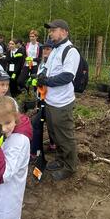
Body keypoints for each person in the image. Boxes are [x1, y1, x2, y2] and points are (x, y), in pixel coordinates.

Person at [37, 19, 80, 181]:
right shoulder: (55, 49)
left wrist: (46, 81)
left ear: (64, 32)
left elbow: (68, 76)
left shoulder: (70, 51)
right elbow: (49, 69)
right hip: (50, 100)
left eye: (53, 30)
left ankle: (70, 166)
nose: (50, 33)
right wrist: (42, 75)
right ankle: (61, 159)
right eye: (50, 30)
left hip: (62, 103)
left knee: (65, 135)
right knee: (55, 134)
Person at [30, 40, 56, 161]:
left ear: (53, 51)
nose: (45, 51)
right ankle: (53, 144)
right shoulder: (41, 64)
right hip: (41, 98)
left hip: (50, 100)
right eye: (43, 49)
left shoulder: (54, 64)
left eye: (48, 49)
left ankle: (35, 152)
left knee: (36, 123)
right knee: (47, 123)